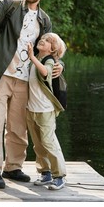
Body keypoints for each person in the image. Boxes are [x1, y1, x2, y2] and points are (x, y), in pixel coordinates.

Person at [0, 0, 63, 189]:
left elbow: (50, 50)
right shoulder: (9, 5)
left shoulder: (44, 20)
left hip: (26, 81)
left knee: (18, 127)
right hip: (0, 74)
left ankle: (13, 167)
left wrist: (58, 65)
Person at [27, 32, 67, 190]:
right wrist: (32, 57)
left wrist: (32, 57)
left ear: (53, 48)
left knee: (49, 142)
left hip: (45, 110)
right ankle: (46, 173)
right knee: (38, 144)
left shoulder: (48, 60)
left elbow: (45, 72)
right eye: (42, 39)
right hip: (31, 109)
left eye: (48, 41)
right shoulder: (35, 58)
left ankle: (59, 176)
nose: (43, 40)